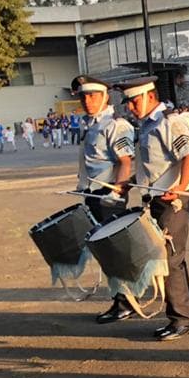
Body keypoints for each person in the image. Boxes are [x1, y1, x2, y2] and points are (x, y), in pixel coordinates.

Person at [113, 75, 189, 340]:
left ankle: (183, 319)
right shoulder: (147, 126)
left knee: (171, 261)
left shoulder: (169, 122)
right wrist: (131, 183)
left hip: (173, 201)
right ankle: (178, 317)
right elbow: (153, 167)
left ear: (150, 96)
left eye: (133, 100)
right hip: (155, 201)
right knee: (165, 261)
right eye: (127, 102)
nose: (130, 107)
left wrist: (182, 186)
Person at [71, 75, 137, 325]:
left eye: (93, 96)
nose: (87, 101)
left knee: (115, 252)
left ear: (105, 97)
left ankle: (125, 302)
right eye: (84, 96)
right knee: (106, 252)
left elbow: (125, 161)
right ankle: (121, 299)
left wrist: (117, 192)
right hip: (92, 193)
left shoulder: (115, 125)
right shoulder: (91, 124)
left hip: (108, 195)